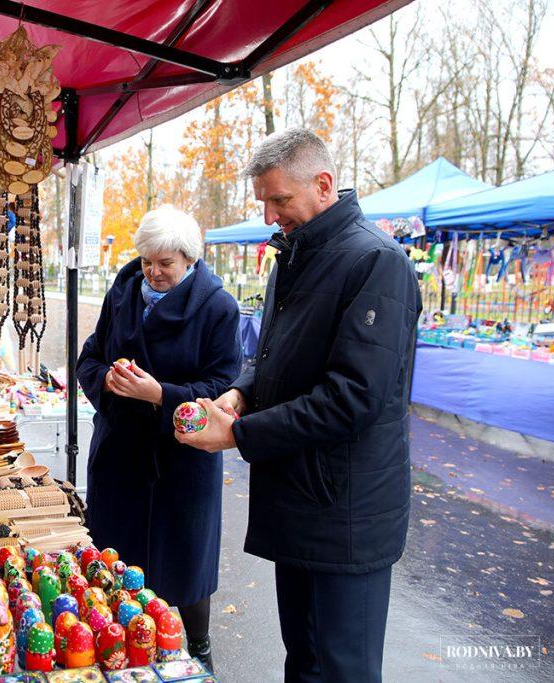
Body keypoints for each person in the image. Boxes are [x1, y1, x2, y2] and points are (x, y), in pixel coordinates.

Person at [177, 128, 421, 682]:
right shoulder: (295, 257)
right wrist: (242, 391)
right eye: (263, 200)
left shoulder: (376, 262)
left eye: (279, 200)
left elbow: (351, 396)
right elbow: (276, 356)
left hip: (347, 510)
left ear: (323, 185)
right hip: (303, 502)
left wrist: (239, 436)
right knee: (304, 661)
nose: (269, 215)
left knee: (344, 668)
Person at [77, 205, 242, 669]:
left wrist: (160, 394)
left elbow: (224, 384)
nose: (154, 271)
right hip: (120, 450)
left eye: (165, 263)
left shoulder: (218, 308)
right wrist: (108, 381)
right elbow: (91, 354)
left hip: (181, 459)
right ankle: (114, 649)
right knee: (115, 560)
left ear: (189, 259)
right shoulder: (124, 291)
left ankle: (200, 648)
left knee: (184, 564)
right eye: (148, 260)